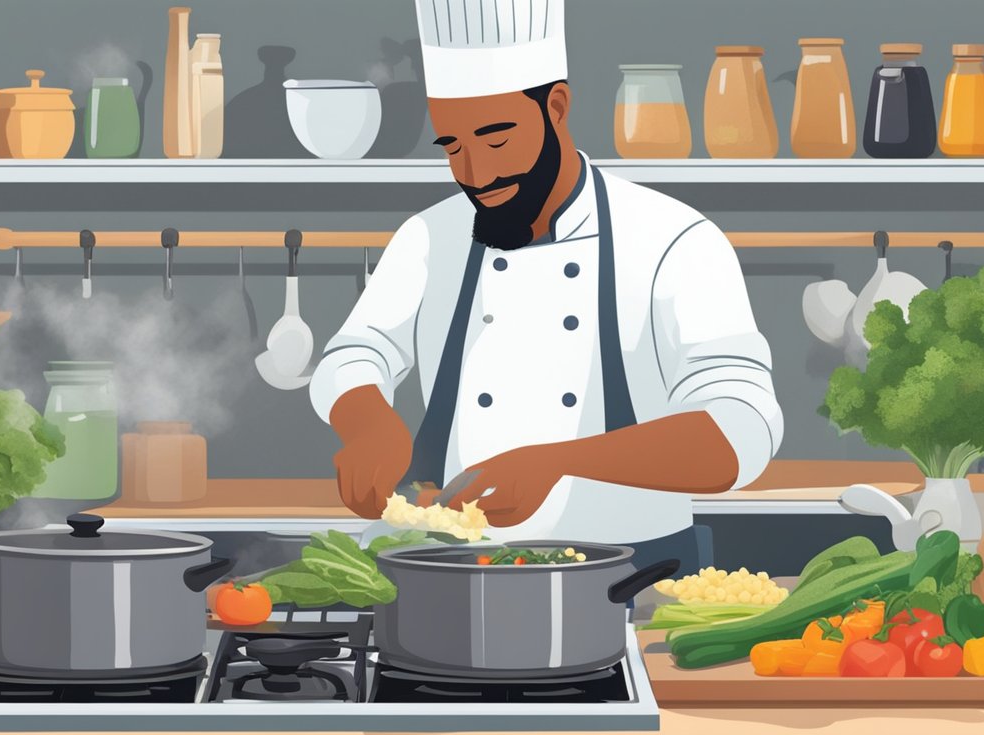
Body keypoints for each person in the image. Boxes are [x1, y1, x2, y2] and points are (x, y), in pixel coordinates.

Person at [308, 0, 783, 572]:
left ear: (555, 106)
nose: (477, 175)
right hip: (447, 570)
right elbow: (356, 353)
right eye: (453, 147)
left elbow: (743, 428)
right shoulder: (430, 235)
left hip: (633, 578)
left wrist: (557, 461)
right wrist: (369, 426)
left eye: (497, 138)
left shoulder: (674, 238)